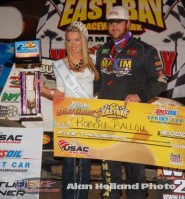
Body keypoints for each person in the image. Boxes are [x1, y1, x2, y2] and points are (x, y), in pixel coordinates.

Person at [94, 6, 168, 199]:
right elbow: (97, 81)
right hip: (107, 120)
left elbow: (161, 80)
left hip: (134, 122)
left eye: (118, 22)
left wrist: (140, 96)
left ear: (128, 24)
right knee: (109, 174)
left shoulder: (145, 50)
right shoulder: (102, 50)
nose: (114, 26)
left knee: (135, 172)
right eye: (111, 23)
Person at [39, 21, 100, 199]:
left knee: (85, 163)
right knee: (69, 162)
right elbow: (61, 93)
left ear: (84, 41)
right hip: (67, 118)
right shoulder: (59, 65)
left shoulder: (94, 62)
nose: (73, 44)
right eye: (69, 40)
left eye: (77, 40)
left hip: (88, 118)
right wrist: (44, 91)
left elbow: (101, 89)